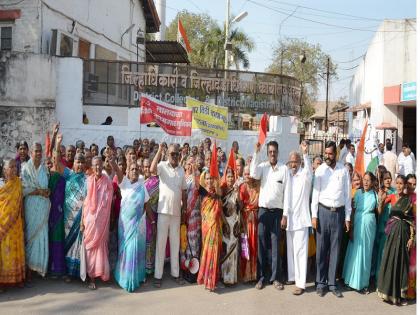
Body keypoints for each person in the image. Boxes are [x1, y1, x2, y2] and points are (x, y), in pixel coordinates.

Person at [311, 141, 351, 298]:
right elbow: (315, 194)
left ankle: (332, 283)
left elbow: (347, 196)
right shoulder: (320, 170)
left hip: (338, 214)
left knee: (335, 249)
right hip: (323, 212)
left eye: (330, 153)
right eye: (326, 153)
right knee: (321, 249)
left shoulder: (343, 171)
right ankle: (320, 283)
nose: (327, 156)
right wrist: (314, 215)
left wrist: (347, 217)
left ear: (336, 154)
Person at [250, 140, 288, 291]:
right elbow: (253, 173)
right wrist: (256, 152)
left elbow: (287, 193)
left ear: (278, 152)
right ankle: (261, 277)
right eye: (270, 152)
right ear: (267, 153)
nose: (272, 154)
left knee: (275, 246)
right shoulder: (263, 167)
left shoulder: (284, 169)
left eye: (274, 151)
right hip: (263, 211)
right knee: (262, 244)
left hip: (277, 213)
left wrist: (285, 215)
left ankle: (276, 278)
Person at [111, 157, 153, 292]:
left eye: (136, 169)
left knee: (135, 251)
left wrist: (153, 222)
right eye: (132, 169)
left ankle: (134, 278)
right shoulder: (124, 183)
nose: (134, 171)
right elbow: (118, 172)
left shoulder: (142, 187)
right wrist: (112, 162)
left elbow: (147, 205)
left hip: (138, 226)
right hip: (125, 225)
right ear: (127, 172)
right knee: (125, 252)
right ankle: (123, 278)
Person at [151, 143, 187, 288]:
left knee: (175, 244)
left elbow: (184, 190)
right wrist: (159, 150)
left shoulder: (181, 170)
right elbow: (152, 170)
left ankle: (175, 273)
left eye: (177, 154)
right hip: (164, 211)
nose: (175, 156)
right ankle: (158, 276)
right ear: (168, 155)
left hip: (176, 213)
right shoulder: (162, 166)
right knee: (160, 244)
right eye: (172, 154)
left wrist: (184, 210)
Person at [377, 175, 414, 305]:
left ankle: (400, 295)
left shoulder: (408, 200)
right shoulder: (391, 197)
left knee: (401, 262)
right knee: (390, 260)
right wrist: (381, 199)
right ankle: (387, 293)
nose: (398, 186)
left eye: (401, 184)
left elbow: (411, 220)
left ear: (404, 185)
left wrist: (411, 238)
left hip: (403, 233)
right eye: (397, 183)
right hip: (392, 233)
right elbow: (380, 211)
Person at [283, 141, 312, 295]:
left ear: (299, 162)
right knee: (291, 250)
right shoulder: (288, 175)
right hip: (290, 219)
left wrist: (305, 153)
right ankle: (293, 276)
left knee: (301, 252)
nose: (293, 164)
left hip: (301, 220)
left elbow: (308, 169)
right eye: (291, 162)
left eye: (295, 161)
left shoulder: (305, 175)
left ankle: (300, 284)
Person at [343, 172, 380, 293]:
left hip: (370, 225)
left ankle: (363, 283)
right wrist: (351, 228)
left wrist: (382, 200)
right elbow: (352, 211)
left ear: (373, 181)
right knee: (355, 252)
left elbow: (378, 212)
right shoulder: (358, 193)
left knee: (366, 253)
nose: (365, 182)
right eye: (364, 179)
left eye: (368, 180)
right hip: (358, 224)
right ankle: (350, 281)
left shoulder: (375, 194)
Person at [81, 156, 114, 290]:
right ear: (91, 166)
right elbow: (85, 202)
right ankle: (91, 277)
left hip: (102, 221)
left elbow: (109, 202)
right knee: (90, 249)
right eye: (95, 165)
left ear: (102, 165)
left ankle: (100, 273)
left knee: (101, 248)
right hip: (89, 221)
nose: (97, 168)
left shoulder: (107, 182)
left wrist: (107, 218)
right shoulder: (88, 181)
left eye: (99, 165)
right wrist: (82, 222)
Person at [21, 142, 51, 278]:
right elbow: (24, 189)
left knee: (41, 235)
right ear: (31, 152)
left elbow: (47, 187)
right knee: (31, 236)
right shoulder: (25, 169)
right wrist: (39, 191)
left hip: (43, 208)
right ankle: (28, 269)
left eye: (40, 151)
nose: (38, 153)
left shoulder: (45, 170)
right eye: (36, 151)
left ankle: (37, 267)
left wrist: (47, 191)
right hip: (31, 206)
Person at [0, 159, 25, 291]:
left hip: (16, 224)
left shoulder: (18, 183)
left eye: (15, 167)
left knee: (15, 250)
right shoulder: (0, 184)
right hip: (2, 225)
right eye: (10, 167)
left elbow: (20, 204)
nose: (14, 169)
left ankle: (17, 278)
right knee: (4, 252)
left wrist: (23, 220)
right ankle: (3, 281)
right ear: (4, 170)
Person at [197, 170, 223, 292]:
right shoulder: (202, 192)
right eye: (207, 178)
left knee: (214, 251)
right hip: (206, 226)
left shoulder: (217, 193)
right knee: (206, 251)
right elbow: (198, 185)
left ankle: (211, 280)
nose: (209, 181)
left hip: (215, 226)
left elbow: (220, 199)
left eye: (211, 178)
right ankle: (206, 278)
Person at [371, 171, 395, 284]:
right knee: (380, 252)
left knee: (388, 253)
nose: (388, 180)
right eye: (385, 178)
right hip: (383, 225)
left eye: (389, 178)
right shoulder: (381, 192)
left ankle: (386, 279)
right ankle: (378, 279)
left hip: (393, 225)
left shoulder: (395, 191)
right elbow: (379, 212)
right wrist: (381, 199)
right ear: (383, 180)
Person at [180, 156, 202, 282]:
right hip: (183, 214)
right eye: (188, 163)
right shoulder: (182, 178)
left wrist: (195, 174)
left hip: (194, 215)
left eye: (193, 163)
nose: (190, 165)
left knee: (193, 242)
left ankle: (194, 271)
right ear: (185, 165)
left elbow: (198, 189)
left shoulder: (198, 177)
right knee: (184, 242)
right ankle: (185, 268)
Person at [239, 166, 259, 283]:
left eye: (249, 174)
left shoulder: (258, 187)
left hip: (256, 220)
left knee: (254, 246)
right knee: (245, 246)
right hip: (245, 220)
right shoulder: (242, 188)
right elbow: (240, 207)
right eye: (245, 174)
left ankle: (254, 274)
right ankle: (246, 275)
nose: (247, 176)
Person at [221, 167, 241, 285]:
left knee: (234, 251)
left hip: (235, 223)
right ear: (225, 178)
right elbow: (220, 209)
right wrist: (224, 222)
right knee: (226, 250)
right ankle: (225, 277)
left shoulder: (236, 190)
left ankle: (232, 278)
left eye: (232, 177)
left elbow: (240, 206)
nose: (230, 178)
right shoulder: (222, 191)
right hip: (226, 224)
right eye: (228, 176)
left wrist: (237, 193)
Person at [143, 158, 159, 276]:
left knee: (151, 242)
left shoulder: (157, 182)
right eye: (145, 167)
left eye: (149, 166)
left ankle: (150, 268)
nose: (147, 169)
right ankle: (143, 268)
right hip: (142, 218)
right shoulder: (141, 183)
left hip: (153, 216)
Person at [406, 174, 416, 300]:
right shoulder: (402, 197)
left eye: (414, 184)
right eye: (409, 184)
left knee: (413, 262)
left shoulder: (416, 198)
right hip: (402, 233)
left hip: (414, 233)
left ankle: (411, 291)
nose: (412, 187)